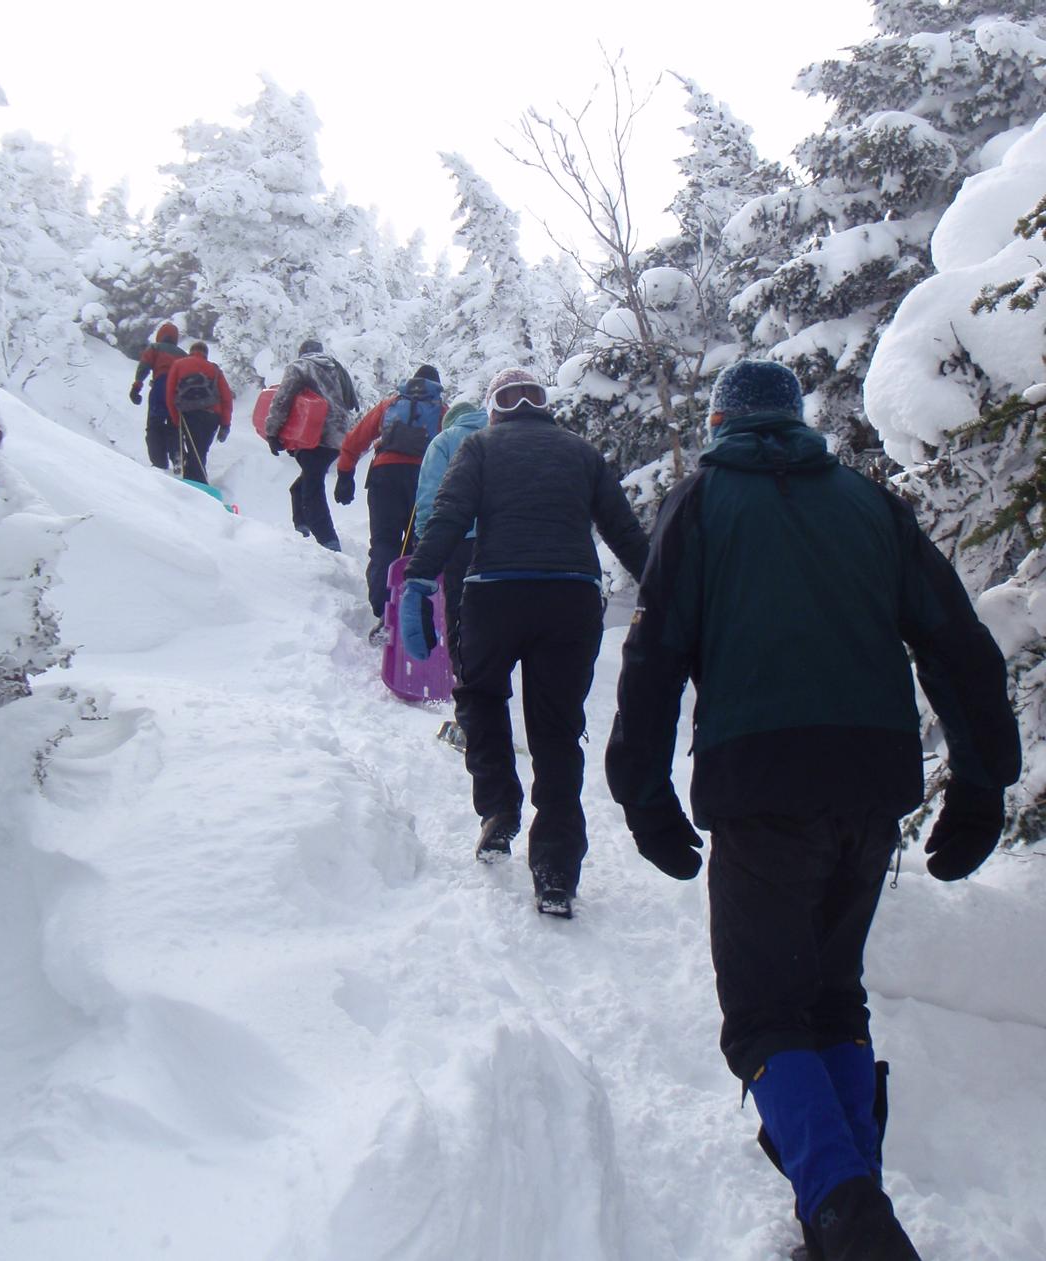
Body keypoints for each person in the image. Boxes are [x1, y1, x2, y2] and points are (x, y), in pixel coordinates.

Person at [604, 359, 1021, 1260]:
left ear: (718, 422)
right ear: (798, 423)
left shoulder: (702, 501)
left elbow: (654, 656)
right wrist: (984, 779)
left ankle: (848, 1216)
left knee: (763, 1017)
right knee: (832, 999)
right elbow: (957, 640)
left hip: (760, 786)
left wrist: (643, 790)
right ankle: (843, 1213)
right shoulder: (870, 505)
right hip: (870, 782)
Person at [400, 367, 650, 919]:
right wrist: (664, 592)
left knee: (481, 697)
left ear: (493, 409)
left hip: (495, 594)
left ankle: (498, 810)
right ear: (543, 406)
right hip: (572, 599)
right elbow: (624, 532)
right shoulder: (582, 453)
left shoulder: (480, 447)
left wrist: (419, 579)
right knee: (557, 731)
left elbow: (448, 517)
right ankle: (556, 870)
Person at [334, 366, 447, 642]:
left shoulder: (391, 403)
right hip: (424, 479)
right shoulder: (442, 411)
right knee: (417, 546)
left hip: (384, 476)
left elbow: (356, 437)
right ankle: (414, 609)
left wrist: (345, 473)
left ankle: (384, 610)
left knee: (384, 542)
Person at [412, 399, 488, 747]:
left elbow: (430, 497)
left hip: (457, 544)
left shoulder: (444, 442)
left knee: (462, 627)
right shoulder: (497, 436)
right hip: (499, 545)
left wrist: (427, 547)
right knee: (496, 632)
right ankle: (493, 719)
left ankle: (470, 723)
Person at [265, 338, 358, 552]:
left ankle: (327, 540)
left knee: (312, 488)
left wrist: (272, 432)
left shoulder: (300, 366)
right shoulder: (337, 367)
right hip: (338, 435)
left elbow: (282, 400)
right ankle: (301, 526)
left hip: (313, 434)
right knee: (303, 484)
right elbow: (351, 402)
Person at [165, 341, 233, 485]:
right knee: (200, 451)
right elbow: (226, 398)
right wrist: (225, 425)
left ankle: (195, 486)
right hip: (211, 415)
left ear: (191, 351)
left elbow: (170, 394)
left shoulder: (178, 364)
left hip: (189, 414)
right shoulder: (214, 369)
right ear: (206, 354)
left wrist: (176, 419)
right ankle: (196, 484)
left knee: (194, 450)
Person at [130, 321, 184, 470]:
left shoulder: (155, 348)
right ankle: (178, 455)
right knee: (174, 426)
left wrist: (136, 387)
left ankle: (159, 464)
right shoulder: (182, 355)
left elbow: (144, 367)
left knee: (154, 425)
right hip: (178, 393)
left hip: (160, 388)